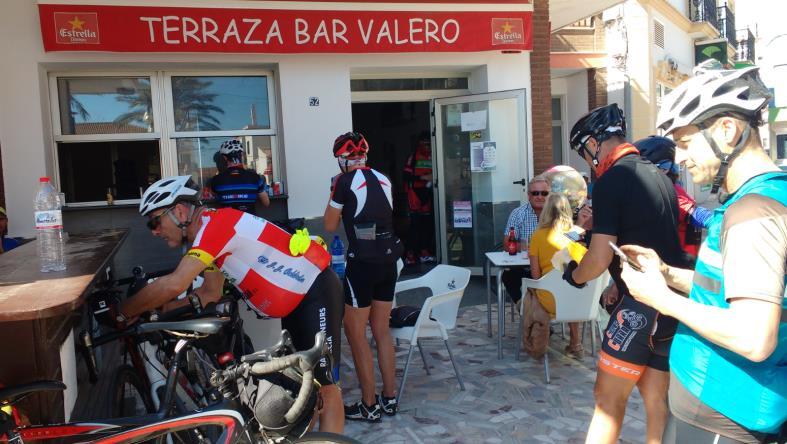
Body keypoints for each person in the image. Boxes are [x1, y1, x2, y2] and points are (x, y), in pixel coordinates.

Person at [619, 64, 786, 443]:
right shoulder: (763, 198)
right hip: (721, 407)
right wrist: (668, 273)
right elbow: (745, 291)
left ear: (727, 130)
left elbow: (754, 336)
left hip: (722, 413)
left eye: (685, 142)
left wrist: (659, 298)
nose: (679, 158)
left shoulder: (753, 211)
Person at [120, 176, 344, 433]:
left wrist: (123, 312)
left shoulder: (216, 225)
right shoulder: (208, 230)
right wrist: (159, 311)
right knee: (305, 386)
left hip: (316, 292)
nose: (154, 231)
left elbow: (175, 283)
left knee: (326, 388)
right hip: (297, 302)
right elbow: (210, 292)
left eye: (155, 221)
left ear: (179, 211)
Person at [563, 103, 690, 444]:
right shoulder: (660, 177)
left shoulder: (611, 180)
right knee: (656, 401)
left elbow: (599, 257)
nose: (585, 160)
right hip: (671, 304)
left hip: (639, 306)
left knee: (607, 401)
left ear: (593, 143)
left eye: (583, 151)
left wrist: (575, 275)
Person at [323, 132, 403, 422]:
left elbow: (330, 225)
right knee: (381, 331)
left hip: (363, 264)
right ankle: (389, 398)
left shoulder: (342, 182)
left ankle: (369, 404)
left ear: (343, 160)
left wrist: (334, 191)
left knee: (356, 334)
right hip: (388, 260)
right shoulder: (384, 178)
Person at [523, 193, 587, 359]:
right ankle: (576, 343)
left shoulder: (537, 236)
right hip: (581, 301)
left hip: (550, 300)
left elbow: (536, 275)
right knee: (571, 290)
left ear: (545, 211)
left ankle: (540, 335)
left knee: (528, 296)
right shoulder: (576, 235)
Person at [634, 135, 712, 259]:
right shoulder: (666, 189)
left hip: (678, 266)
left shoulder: (670, 193)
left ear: (663, 169)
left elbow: (699, 215)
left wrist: (723, 224)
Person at [500, 176, 549, 305]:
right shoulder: (518, 213)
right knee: (507, 276)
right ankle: (523, 306)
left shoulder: (556, 214)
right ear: (528, 195)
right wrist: (524, 247)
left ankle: (544, 307)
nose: (539, 197)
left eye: (544, 193)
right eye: (535, 193)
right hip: (524, 267)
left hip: (549, 267)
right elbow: (506, 243)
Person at [208, 139, 270, 215]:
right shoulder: (255, 178)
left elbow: (210, 198)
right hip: (250, 223)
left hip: (227, 223)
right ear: (241, 155)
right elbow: (266, 203)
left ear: (225, 158)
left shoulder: (216, 180)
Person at [402, 132, 435, 264]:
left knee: (427, 224)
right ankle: (409, 255)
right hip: (414, 193)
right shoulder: (413, 157)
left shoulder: (435, 155)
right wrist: (423, 178)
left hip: (428, 192)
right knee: (414, 225)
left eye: (429, 144)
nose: (427, 147)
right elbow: (405, 176)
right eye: (425, 144)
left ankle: (424, 252)